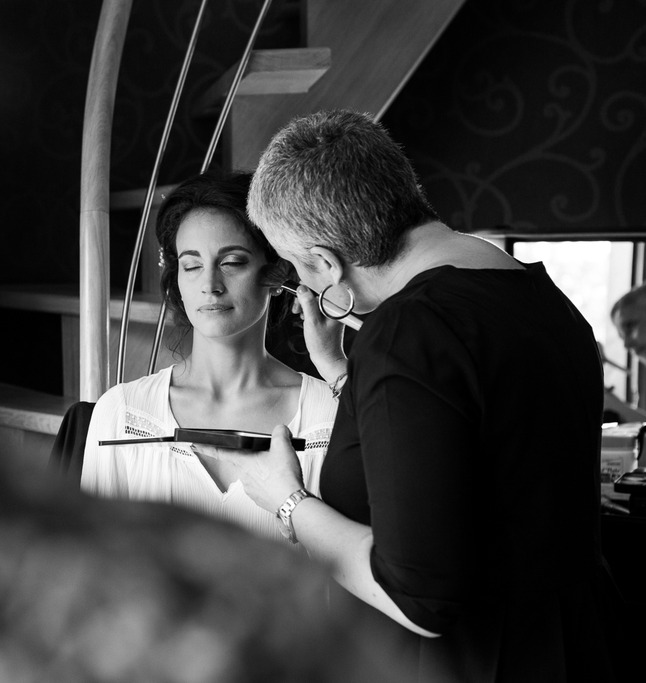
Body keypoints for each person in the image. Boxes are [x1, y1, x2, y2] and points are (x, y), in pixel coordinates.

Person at [195, 110, 618, 681]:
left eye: (298, 267)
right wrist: (342, 373)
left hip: (476, 661)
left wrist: (289, 503)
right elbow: (468, 437)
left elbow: (420, 598)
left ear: (324, 262)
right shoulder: (536, 294)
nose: (307, 287)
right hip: (572, 642)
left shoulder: (408, 334)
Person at [81, 172, 340, 541]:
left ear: (276, 271)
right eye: (191, 265)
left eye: (231, 262)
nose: (209, 285)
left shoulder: (328, 417)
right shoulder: (121, 414)